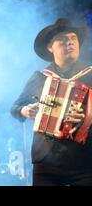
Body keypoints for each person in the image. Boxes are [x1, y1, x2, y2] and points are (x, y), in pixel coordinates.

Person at [11, 18, 92, 185]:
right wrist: (25, 111)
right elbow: (15, 107)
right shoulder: (40, 77)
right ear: (50, 48)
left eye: (73, 38)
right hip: (46, 161)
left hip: (85, 160)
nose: (69, 42)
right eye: (62, 40)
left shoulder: (90, 74)